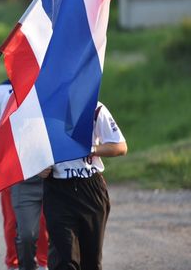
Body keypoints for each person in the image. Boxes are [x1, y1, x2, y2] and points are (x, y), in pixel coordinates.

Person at [39, 102, 127, 270]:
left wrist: (89, 148)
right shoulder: (41, 107)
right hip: (57, 190)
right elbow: (29, 149)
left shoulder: (95, 107)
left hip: (91, 189)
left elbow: (120, 146)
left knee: (91, 262)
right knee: (64, 261)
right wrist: (38, 167)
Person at [0, 80, 49, 270]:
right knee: (13, 219)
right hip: (13, 163)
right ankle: (13, 262)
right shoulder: (1, 89)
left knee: (45, 219)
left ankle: (43, 262)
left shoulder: (50, 82)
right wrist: (9, 133)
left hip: (45, 163)